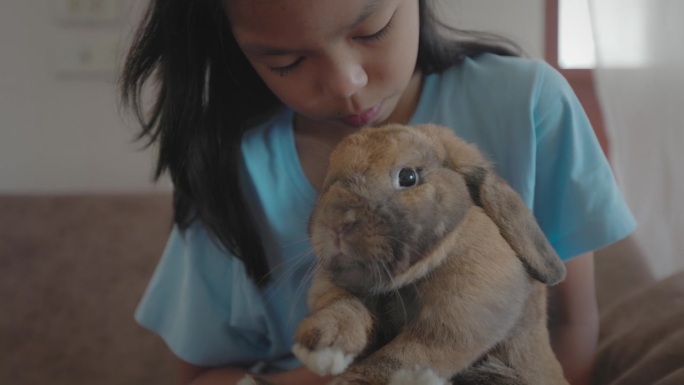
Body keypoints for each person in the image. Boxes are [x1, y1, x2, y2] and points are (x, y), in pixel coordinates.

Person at [119, 0, 636, 384]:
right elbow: (198, 372)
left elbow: (570, 321)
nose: (347, 82)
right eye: (286, 63)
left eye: (373, 29)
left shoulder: (526, 104)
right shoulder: (230, 169)